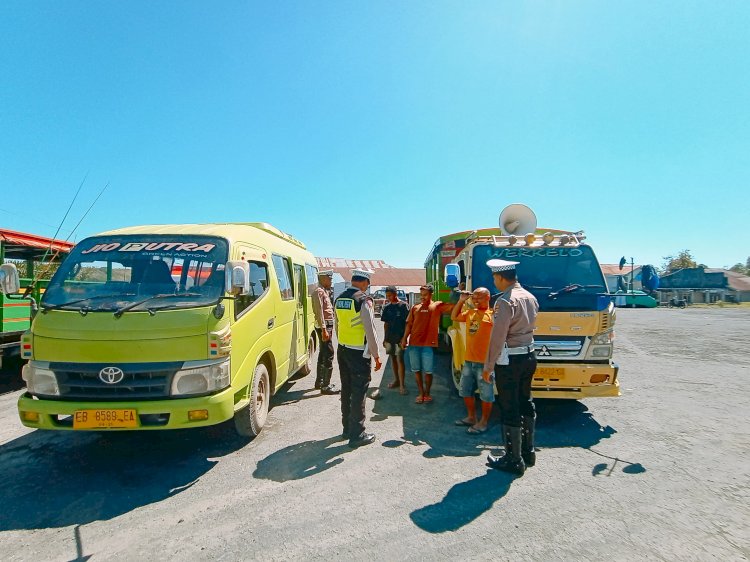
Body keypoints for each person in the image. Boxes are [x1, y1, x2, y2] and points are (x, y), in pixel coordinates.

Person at [482, 259, 539, 476]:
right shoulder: (529, 296)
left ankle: (513, 460)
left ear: (500, 277)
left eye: (494, 278)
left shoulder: (505, 301)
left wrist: (488, 366)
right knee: (526, 401)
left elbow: (498, 337)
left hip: (510, 361)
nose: (494, 282)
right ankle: (528, 452)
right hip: (529, 356)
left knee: (509, 407)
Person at [335, 268, 383, 448]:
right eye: (368, 284)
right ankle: (357, 435)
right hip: (358, 353)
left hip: (343, 349)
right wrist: (377, 355)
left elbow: (338, 326)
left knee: (346, 389)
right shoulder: (364, 300)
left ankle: (347, 429)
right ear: (364, 282)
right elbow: (370, 330)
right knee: (359, 393)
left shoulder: (339, 299)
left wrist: (342, 344)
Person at [451, 287, 495, 434]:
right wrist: (461, 300)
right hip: (469, 360)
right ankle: (471, 417)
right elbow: (454, 317)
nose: (475, 300)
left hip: (484, 363)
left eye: (479, 298)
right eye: (474, 298)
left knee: (486, 394)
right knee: (465, 391)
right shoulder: (470, 313)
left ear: (488, 297)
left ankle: (483, 422)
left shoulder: (493, 315)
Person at [400, 284, 453, 404]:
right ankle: (421, 393)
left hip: (428, 346)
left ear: (431, 294)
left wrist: (459, 297)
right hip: (414, 344)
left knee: (428, 371)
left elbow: (453, 307)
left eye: (425, 295)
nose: (422, 297)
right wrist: (404, 339)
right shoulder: (415, 307)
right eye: (421, 295)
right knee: (416, 370)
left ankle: (427, 394)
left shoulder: (437, 306)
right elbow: (409, 325)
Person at [311, 269, 339, 395]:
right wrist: (323, 329)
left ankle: (320, 382)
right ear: (323, 278)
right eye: (330, 278)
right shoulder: (318, 292)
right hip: (324, 327)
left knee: (323, 353)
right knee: (329, 354)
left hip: (326, 326)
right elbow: (319, 312)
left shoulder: (324, 291)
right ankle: (325, 386)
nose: (331, 280)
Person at [381, 285, 410, 395]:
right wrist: (384, 339)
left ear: (395, 294)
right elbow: (386, 324)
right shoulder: (387, 308)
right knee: (392, 359)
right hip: (390, 338)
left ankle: (402, 385)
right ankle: (396, 381)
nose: (388, 297)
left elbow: (408, 324)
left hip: (400, 338)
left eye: (390, 295)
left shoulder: (403, 306)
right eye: (387, 295)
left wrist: (405, 338)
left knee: (400, 360)